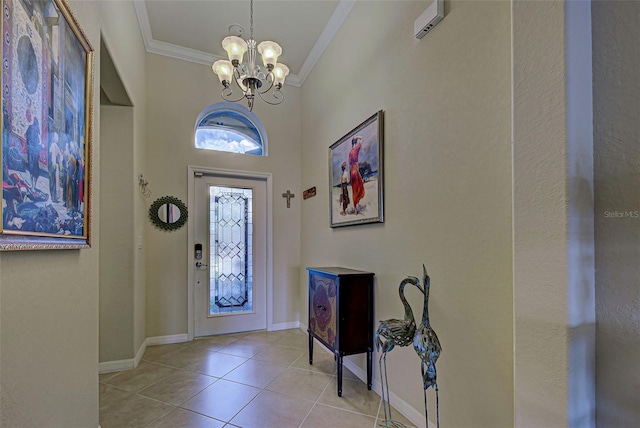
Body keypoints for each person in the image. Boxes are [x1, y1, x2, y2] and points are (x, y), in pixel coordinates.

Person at [348, 135, 365, 214]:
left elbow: (349, 165)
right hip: (355, 170)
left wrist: (350, 178)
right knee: (360, 186)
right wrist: (357, 137)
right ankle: (357, 202)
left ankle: (355, 208)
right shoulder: (357, 148)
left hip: (352, 171)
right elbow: (362, 138)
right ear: (356, 142)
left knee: (354, 190)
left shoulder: (350, 152)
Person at [26, 116, 42, 189]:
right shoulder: (34, 130)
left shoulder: (31, 129)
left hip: (32, 152)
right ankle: (33, 186)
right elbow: (35, 143)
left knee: (32, 170)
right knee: (35, 171)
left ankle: (33, 186)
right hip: (33, 153)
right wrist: (40, 147)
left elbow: (28, 140)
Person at [48, 132, 62, 202]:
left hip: (53, 165)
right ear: (53, 138)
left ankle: (53, 197)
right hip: (53, 165)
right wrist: (54, 164)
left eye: (57, 137)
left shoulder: (54, 145)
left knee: (52, 181)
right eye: (56, 137)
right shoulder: (54, 145)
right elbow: (53, 156)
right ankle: (53, 197)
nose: (57, 138)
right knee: (53, 181)